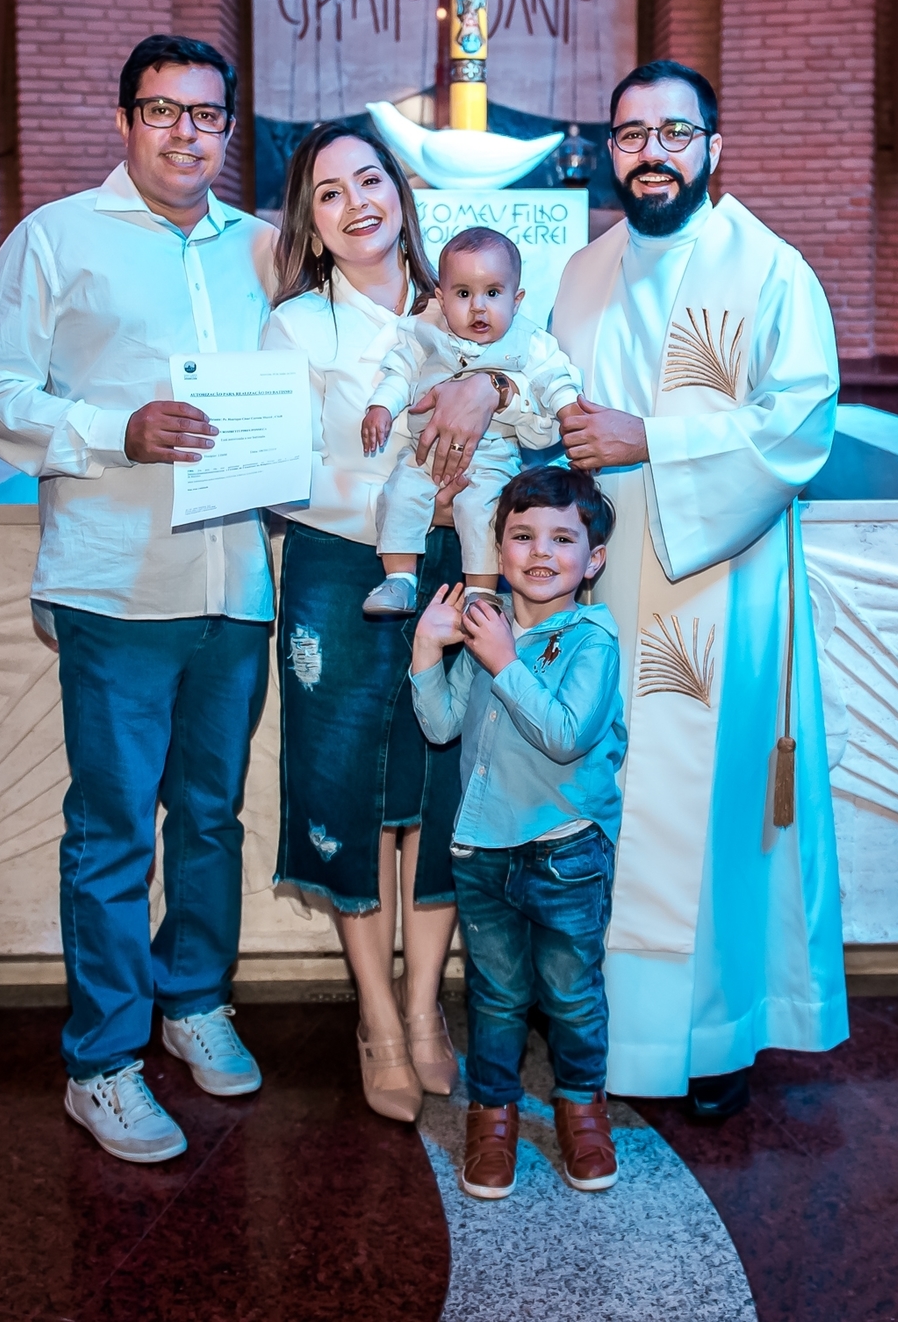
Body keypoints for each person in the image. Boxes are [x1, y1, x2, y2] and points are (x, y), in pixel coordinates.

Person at [0, 35, 276, 1165]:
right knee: (108, 831)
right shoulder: (57, 238)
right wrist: (107, 429)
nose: (186, 132)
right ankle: (102, 1059)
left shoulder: (268, 248)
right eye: (161, 110)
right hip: (115, 580)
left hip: (237, 579)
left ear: (231, 127)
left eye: (207, 114)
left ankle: (192, 999)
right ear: (124, 118)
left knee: (212, 816)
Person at [552, 59, 846, 1120]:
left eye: (676, 134)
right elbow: (545, 395)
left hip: (721, 579)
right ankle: (606, 1030)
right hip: (594, 584)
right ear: (609, 152)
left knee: (706, 810)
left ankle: (712, 1037)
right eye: (631, 135)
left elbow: (802, 426)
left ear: (714, 148)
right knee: (605, 796)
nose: (653, 154)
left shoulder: (770, 272)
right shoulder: (581, 273)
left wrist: (654, 441)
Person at [263, 121, 520, 1124]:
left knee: (443, 788)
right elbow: (275, 476)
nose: (357, 202)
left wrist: (490, 382)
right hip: (335, 573)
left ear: (402, 192)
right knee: (357, 796)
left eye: (370, 179)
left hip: (456, 565)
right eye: (330, 193)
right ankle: (374, 1014)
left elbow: (541, 410)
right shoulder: (295, 329)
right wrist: (377, 486)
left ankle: (425, 1012)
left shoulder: (460, 303)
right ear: (313, 223)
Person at [411, 465, 625, 1199]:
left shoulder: (592, 639)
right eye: (522, 535)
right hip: (484, 850)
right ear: (499, 549)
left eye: (563, 539)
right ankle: (492, 1119)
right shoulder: (487, 627)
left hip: (567, 848)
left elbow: (566, 735)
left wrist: (502, 659)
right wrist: (426, 652)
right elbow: (441, 727)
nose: (540, 552)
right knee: (496, 996)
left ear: (592, 559)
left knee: (572, 993)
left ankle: (582, 1113)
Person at [362, 225, 582, 615]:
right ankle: (399, 579)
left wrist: (569, 412)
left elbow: (555, 377)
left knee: (483, 507)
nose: (478, 307)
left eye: (493, 293)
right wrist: (381, 406)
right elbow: (398, 372)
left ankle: (482, 592)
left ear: (516, 300)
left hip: (492, 455)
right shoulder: (423, 333)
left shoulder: (529, 342)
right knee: (400, 493)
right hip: (423, 451)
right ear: (442, 300)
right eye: (464, 294)